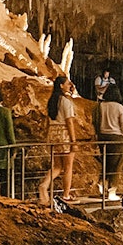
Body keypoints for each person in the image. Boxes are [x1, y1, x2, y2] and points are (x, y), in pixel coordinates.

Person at [38, 75, 78, 203]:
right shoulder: (65, 102)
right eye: (67, 84)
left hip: (53, 134)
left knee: (57, 166)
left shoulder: (52, 101)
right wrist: (73, 141)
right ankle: (66, 195)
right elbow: (69, 122)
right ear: (61, 85)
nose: (69, 86)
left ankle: (44, 184)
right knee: (68, 167)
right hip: (64, 134)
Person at [94, 83, 123, 199]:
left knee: (106, 162)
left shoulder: (99, 106)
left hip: (102, 137)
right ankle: (112, 191)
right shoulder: (118, 107)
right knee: (116, 164)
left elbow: (95, 121)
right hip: (116, 139)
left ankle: (102, 183)